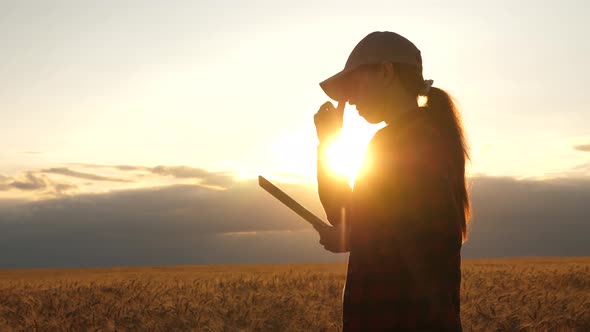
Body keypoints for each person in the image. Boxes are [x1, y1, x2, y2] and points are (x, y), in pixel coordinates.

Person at [314, 31, 471, 331]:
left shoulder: (410, 141)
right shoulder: (419, 136)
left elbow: (431, 235)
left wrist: (352, 237)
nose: (348, 100)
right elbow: (349, 215)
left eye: (354, 85)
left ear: (386, 72)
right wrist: (328, 146)